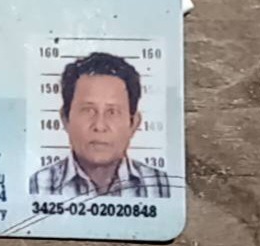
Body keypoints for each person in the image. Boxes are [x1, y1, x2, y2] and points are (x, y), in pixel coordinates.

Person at [29, 52, 170, 197]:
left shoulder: (162, 187)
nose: (100, 126)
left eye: (112, 112)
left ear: (133, 123)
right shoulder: (35, 187)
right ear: (65, 119)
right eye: (88, 110)